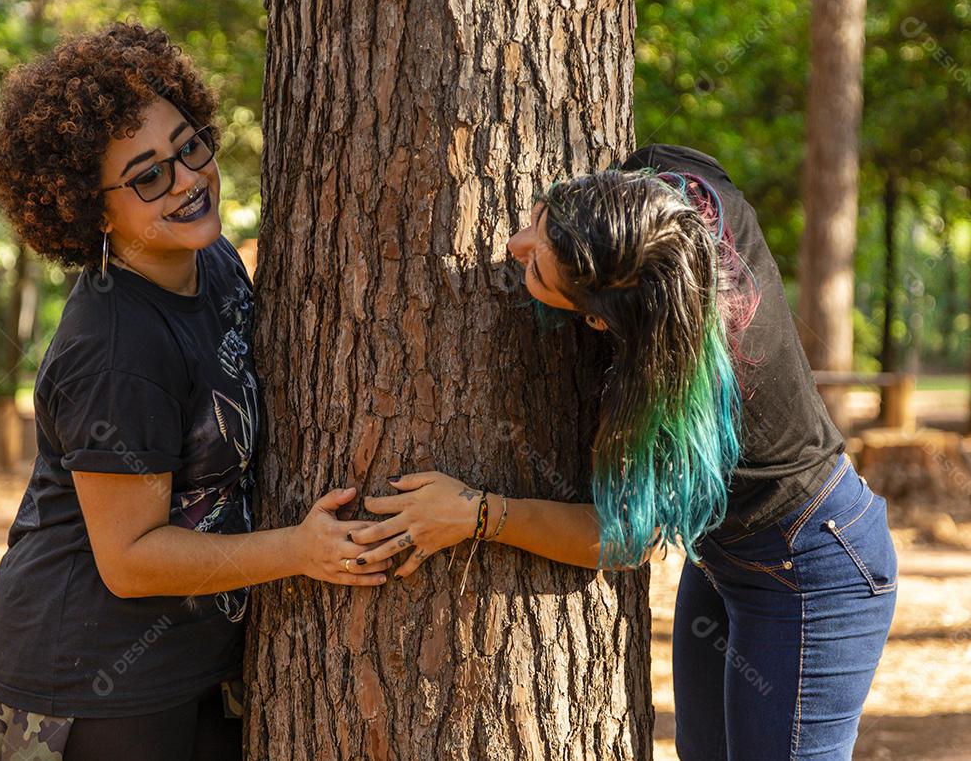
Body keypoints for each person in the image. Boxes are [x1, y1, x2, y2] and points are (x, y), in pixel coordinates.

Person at [351, 144, 899, 760]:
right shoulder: (680, 189)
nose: (513, 246)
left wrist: (479, 514)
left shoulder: (666, 391)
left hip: (811, 567)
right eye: (543, 216)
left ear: (599, 323)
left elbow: (620, 539)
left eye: (536, 272)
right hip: (723, 558)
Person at [0, 22, 386, 761]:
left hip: (200, 667)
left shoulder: (215, 260)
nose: (189, 180)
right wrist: (299, 549)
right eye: (147, 176)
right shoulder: (114, 346)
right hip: (85, 685)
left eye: (189, 147)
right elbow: (129, 558)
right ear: (89, 210)